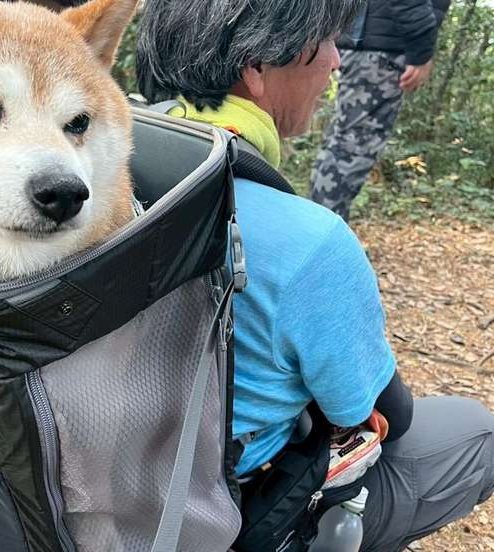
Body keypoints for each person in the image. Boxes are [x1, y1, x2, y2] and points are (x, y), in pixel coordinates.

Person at [136, 1, 494, 551]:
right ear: (256, 66)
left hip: (93, 494)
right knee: (474, 432)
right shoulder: (308, 240)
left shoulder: (91, 179)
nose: (336, 61)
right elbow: (383, 413)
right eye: (325, 41)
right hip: (227, 511)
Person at [310, 0, 451, 221]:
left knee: (342, 145)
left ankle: (319, 226)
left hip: (367, 43)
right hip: (379, 50)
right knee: (352, 149)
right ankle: (323, 231)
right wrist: (422, 48)